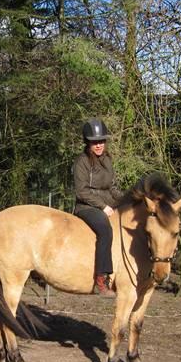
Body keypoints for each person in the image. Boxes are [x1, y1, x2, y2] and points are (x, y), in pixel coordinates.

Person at [73, 118, 124, 298]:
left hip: (107, 203)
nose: (99, 145)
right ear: (88, 142)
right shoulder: (82, 162)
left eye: (101, 141)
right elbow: (81, 191)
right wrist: (103, 206)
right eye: (95, 142)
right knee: (104, 228)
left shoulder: (108, 160)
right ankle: (101, 279)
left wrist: (128, 200)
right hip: (86, 207)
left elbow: (113, 188)